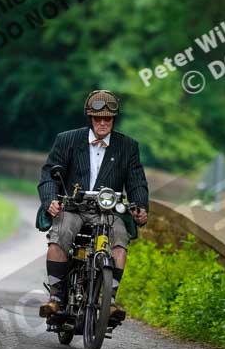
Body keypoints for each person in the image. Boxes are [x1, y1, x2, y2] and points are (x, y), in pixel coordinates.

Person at [37, 89, 149, 321]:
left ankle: (110, 300)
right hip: (73, 208)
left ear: (113, 120)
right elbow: (49, 174)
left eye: (107, 119)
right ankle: (56, 298)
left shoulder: (128, 146)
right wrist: (50, 201)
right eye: (98, 118)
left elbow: (137, 181)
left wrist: (141, 206)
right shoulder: (67, 140)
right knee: (60, 234)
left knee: (120, 240)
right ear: (90, 118)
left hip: (107, 212)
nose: (102, 123)